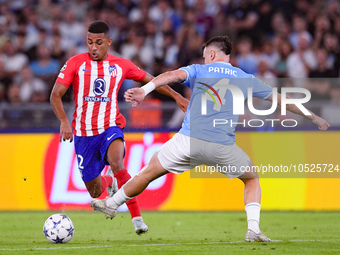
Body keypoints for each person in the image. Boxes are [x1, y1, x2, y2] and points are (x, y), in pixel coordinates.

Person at [90, 36, 330, 242]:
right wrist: (314, 117)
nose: (205, 59)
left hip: (187, 141)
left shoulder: (199, 70)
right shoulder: (243, 77)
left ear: (212, 54)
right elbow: (280, 99)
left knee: (147, 173)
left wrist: (145, 90)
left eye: (206, 56)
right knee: (251, 179)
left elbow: (171, 75)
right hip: (221, 146)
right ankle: (253, 229)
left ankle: (112, 204)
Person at [50, 20, 188, 235]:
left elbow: (152, 81)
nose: (93, 47)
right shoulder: (75, 63)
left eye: (98, 42)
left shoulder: (121, 65)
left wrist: (177, 96)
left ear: (108, 42)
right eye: (89, 42)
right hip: (84, 134)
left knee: (117, 162)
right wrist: (64, 121)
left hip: (110, 126)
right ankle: (109, 181)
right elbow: (55, 95)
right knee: (95, 192)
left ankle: (137, 219)